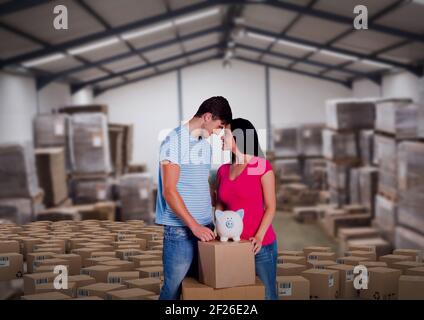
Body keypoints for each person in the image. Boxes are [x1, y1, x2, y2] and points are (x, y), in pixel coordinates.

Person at [156, 96, 233, 300]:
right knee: (173, 290)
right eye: (219, 126)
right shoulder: (174, 141)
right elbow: (169, 191)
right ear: (207, 117)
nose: (218, 133)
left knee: (197, 290)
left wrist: (215, 212)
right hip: (181, 230)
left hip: (205, 227)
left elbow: (202, 181)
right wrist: (194, 226)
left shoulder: (205, 147)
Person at [215, 118, 278, 300]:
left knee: (267, 296)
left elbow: (271, 206)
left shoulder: (260, 166)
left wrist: (259, 236)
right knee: (239, 296)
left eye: (225, 134)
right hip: (232, 245)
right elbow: (221, 205)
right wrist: (216, 230)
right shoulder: (223, 170)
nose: (221, 137)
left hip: (259, 245)